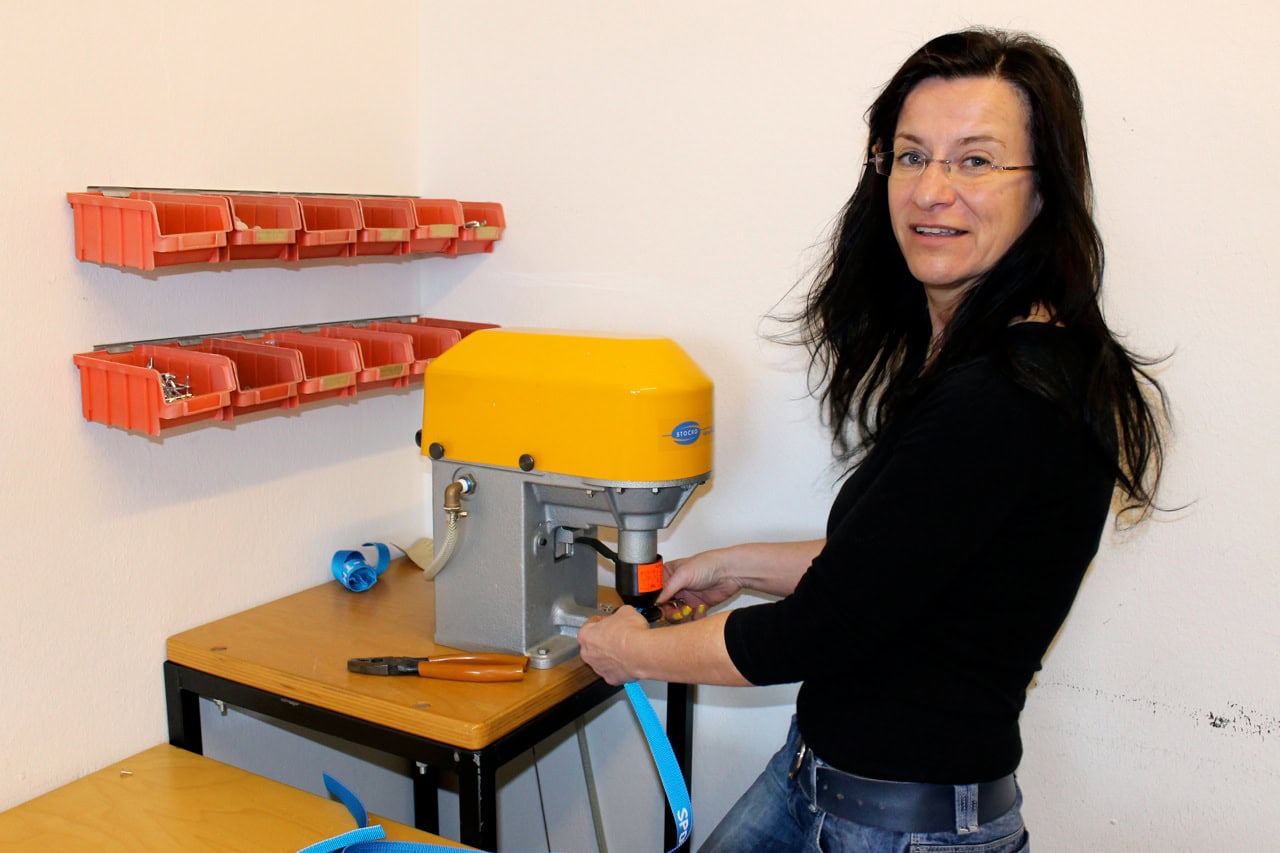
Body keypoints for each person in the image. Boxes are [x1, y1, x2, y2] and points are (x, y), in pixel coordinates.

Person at [577, 26, 1168, 852]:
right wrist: (733, 566)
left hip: (898, 829)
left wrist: (635, 651)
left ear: (1044, 191)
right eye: (911, 156)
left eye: (975, 161)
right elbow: (897, 566)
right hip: (818, 786)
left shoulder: (1006, 395)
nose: (932, 190)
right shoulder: (995, 362)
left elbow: (819, 628)